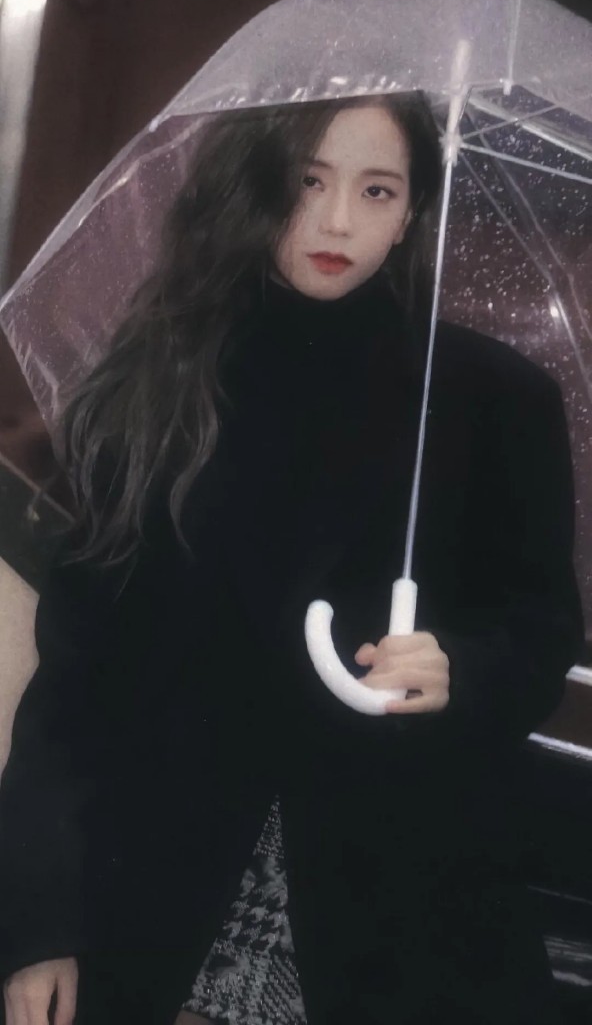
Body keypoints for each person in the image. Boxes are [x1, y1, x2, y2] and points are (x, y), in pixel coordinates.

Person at [0, 93, 584, 1025]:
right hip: (155, 886)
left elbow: (540, 631)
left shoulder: (494, 399)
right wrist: (36, 921)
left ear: (411, 212)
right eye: (309, 181)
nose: (339, 220)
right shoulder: (161, 382)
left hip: (399, 904)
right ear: (255, 184)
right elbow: (76, 685)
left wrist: (457, 669)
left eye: (378, 190)